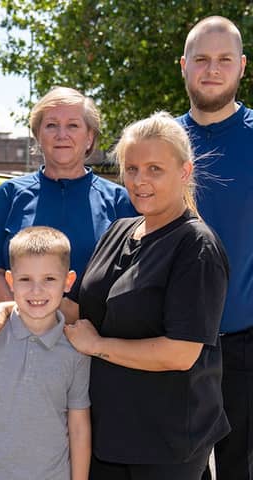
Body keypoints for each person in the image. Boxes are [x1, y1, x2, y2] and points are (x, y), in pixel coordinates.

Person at [0, 112, 230, 479]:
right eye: (132, 168)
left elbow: (181, 352)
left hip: (165, 442)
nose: (140, 181)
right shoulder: (121, 230)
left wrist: (98, 346)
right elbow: (81, 310)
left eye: (155, 169)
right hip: (106, 432)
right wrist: (10, 307)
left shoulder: (196, 246)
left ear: (185, 172)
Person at [0, 226, 91, 480]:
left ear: (68, 282)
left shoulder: (76, 350)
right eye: (25, 280)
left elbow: (78, 427)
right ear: (10, 281)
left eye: (49, 279)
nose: (36, 291)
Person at [178, 16, 253, 480]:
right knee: (180, 470)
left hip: (246, 339)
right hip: (172, 341)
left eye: (224, 59)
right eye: (202, 59)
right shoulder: (160, 142)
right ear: (184, 65)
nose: (212, 69)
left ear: (242, 67)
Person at [0, 86, 136, 305]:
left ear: (89, 137)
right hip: (21, 334)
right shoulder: (10, 194)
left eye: (73, 125)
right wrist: (22, 323)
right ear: (38, 135)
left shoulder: (120, 201)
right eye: (51, 125)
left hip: (93, 335)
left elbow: (133, 277)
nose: (62, 135)